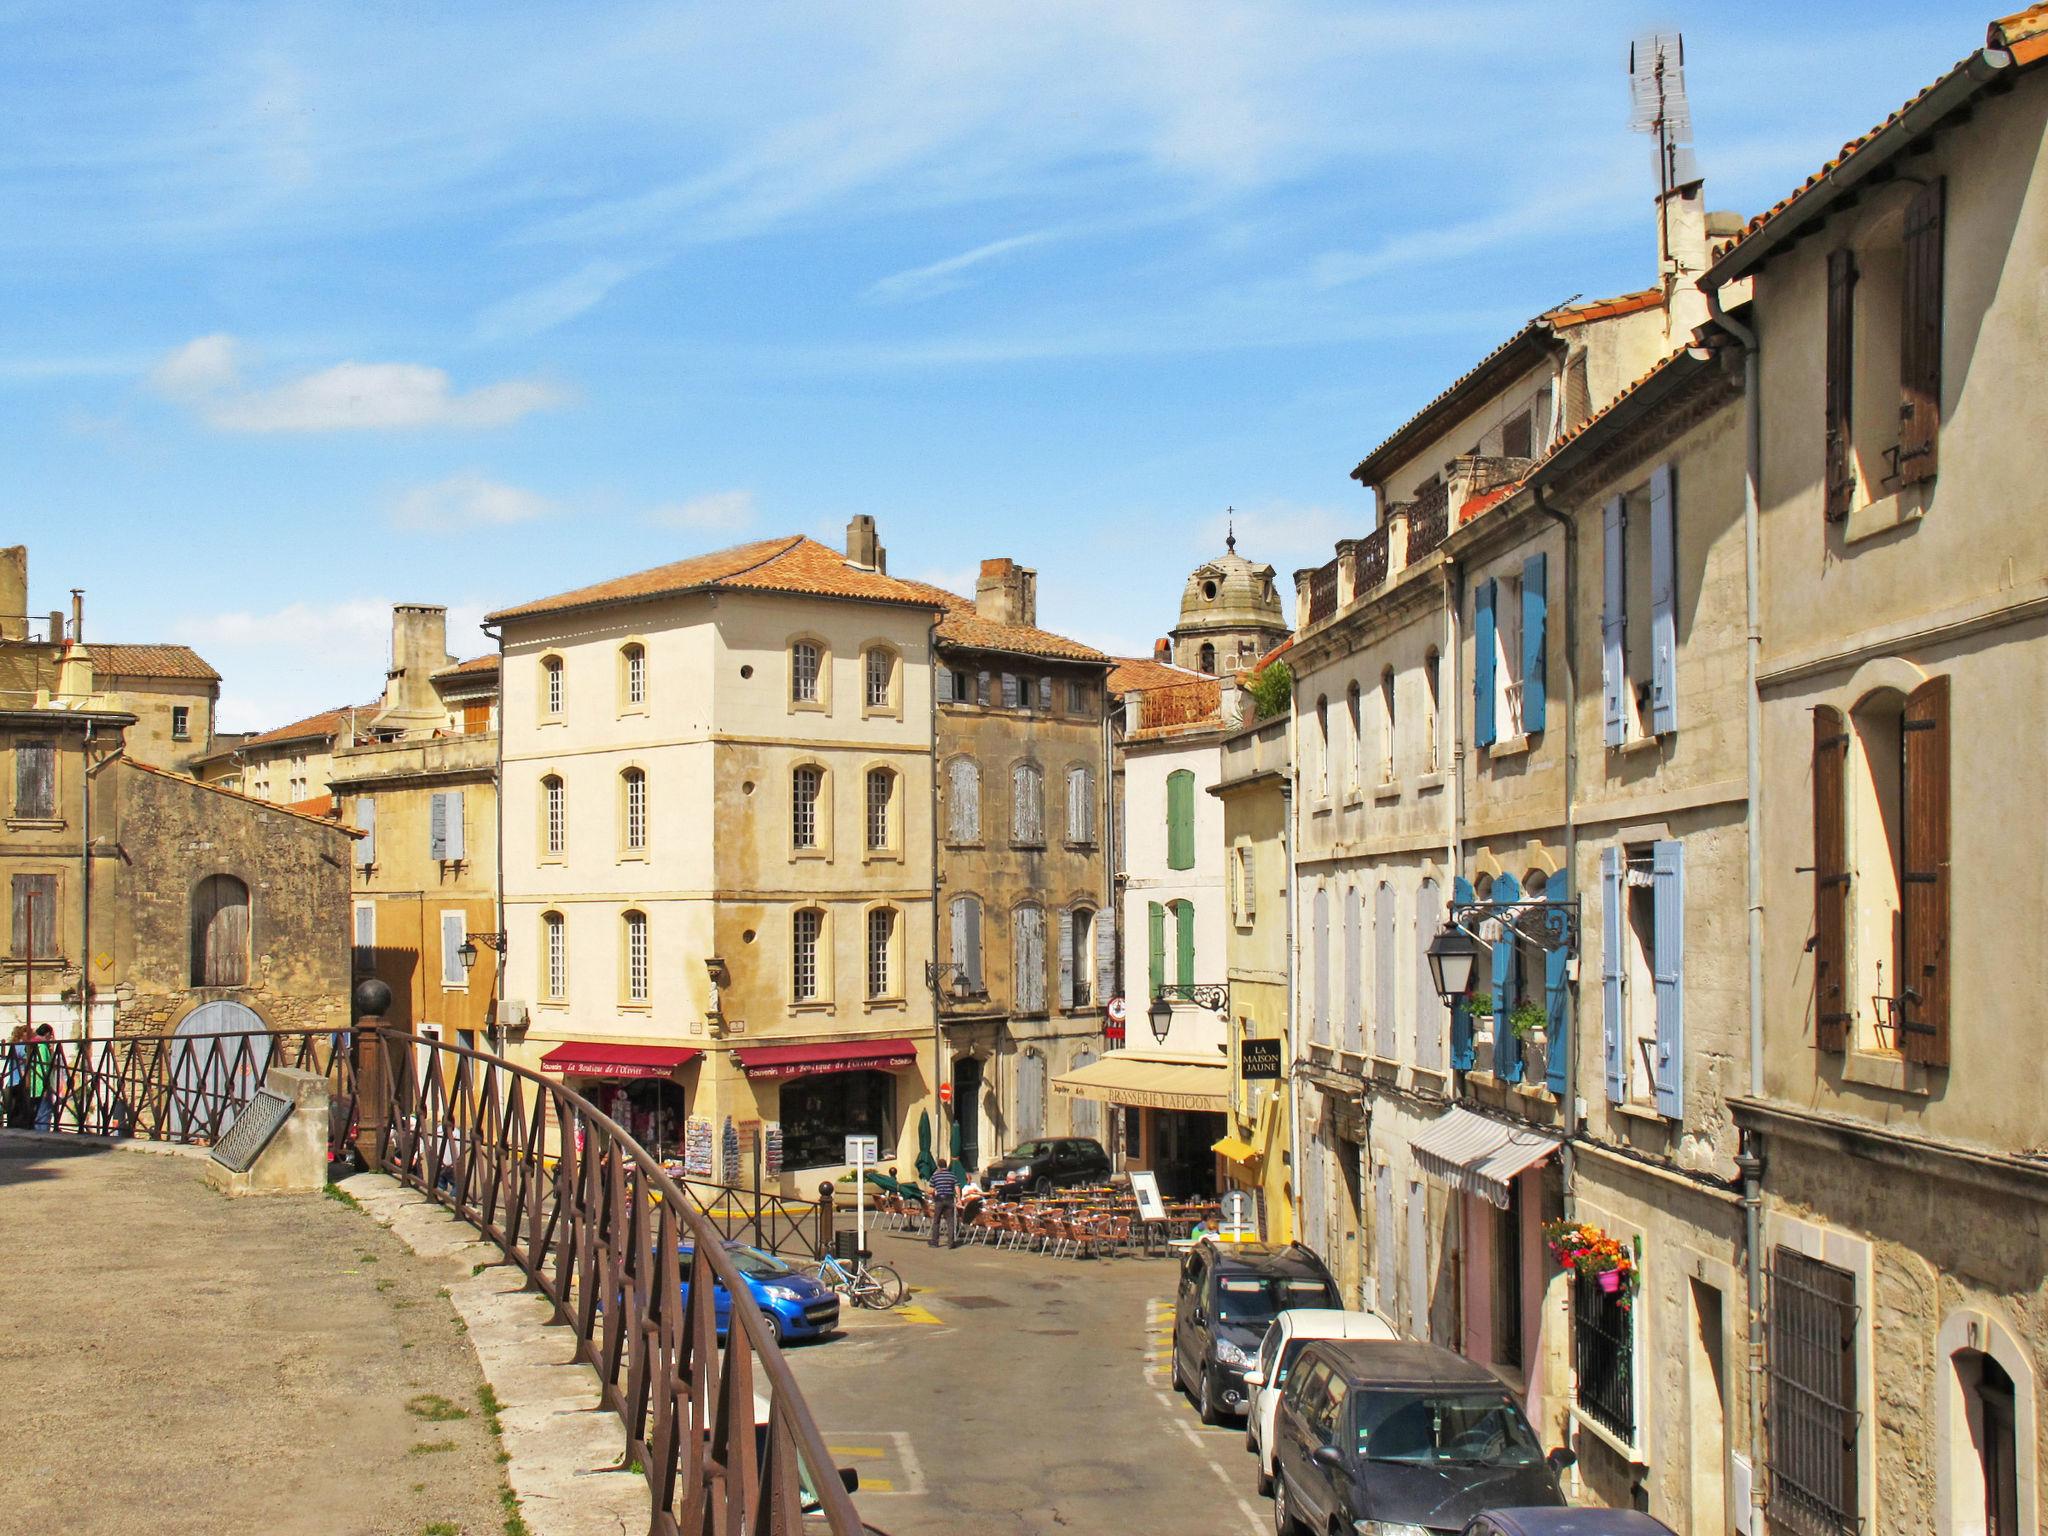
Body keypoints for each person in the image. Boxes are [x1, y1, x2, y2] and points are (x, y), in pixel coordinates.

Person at [927, 1162, 960, 1249]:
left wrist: (933, 1197)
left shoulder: (935, 1176)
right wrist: (959, 1199)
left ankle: (935, 1242)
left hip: (939, 1200)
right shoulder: (952, 1175)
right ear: (946, 1166)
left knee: (936, 1221)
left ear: (939, 1166)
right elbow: (957, 1188)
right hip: (949, 1199)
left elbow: (931, 1190)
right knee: (950, 1221)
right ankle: (951, 1243)